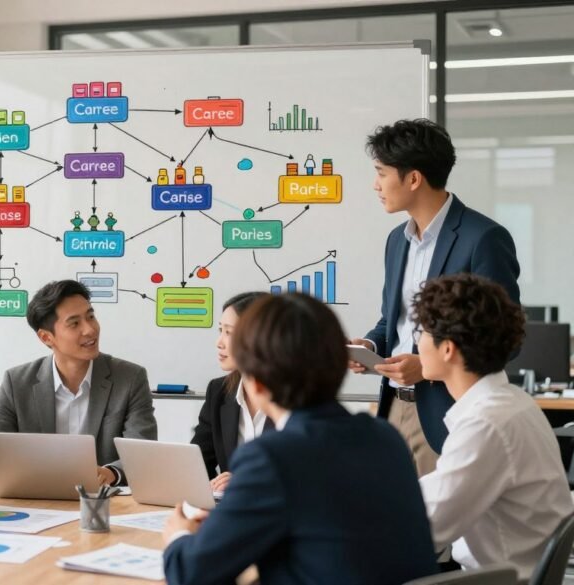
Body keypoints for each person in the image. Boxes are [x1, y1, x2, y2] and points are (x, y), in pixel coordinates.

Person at [162, 294, 438, 585]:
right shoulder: (385, 437)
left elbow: (190, 573)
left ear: (254, 381)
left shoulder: (273, 456)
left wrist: (179, 535)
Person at [348, 118, 520, 474]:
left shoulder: (483, 238)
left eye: (381, 173)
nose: (375, 185)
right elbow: (392, 322)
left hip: (446, 416)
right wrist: (369, 346)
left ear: (413, 179)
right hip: (391, 409)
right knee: (390, 523)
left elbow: (503, 339)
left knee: (437, 527)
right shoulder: (397, 240)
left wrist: (426, 369)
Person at [411, 274, 573, 578]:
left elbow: (424, 526)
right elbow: (442, 490)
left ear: (448, 349)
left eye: (421, 331)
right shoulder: (511, 403)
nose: (416, 342)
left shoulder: (486, 423)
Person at [0, 280, 157, 487]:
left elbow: (143, 454)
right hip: (35, 501)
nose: (90, 329)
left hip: (102, 503)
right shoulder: (18, 382)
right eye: (75, 323)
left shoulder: (129, 378)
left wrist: (110, 473)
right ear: (47, 337)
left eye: (90, 317)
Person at [189, 292, 270, 492]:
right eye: (220, 330)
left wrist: (248, 483)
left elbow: (309, 475)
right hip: (232, 512)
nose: (219, 342)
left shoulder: (299, 397)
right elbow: (197, 463)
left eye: (229, 333)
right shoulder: (219, 391)